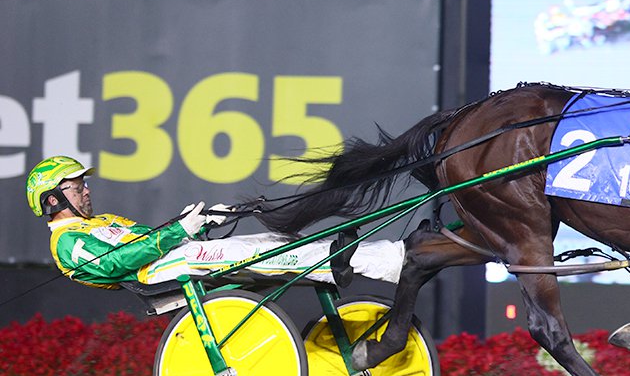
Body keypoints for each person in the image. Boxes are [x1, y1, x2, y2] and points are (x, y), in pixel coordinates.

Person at [26, 155, 405, 289]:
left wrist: (203, 220)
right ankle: (381, 262)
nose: (86, 192)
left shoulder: (102, 221)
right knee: (272, 252)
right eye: (77, 188)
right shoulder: (67, 241)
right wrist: (181, 231)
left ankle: (381, 256)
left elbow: (151, 238)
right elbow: (114, 263)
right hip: (163, 271)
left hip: (179, 256)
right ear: (53, 199)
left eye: (84, 185)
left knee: (272, 240)